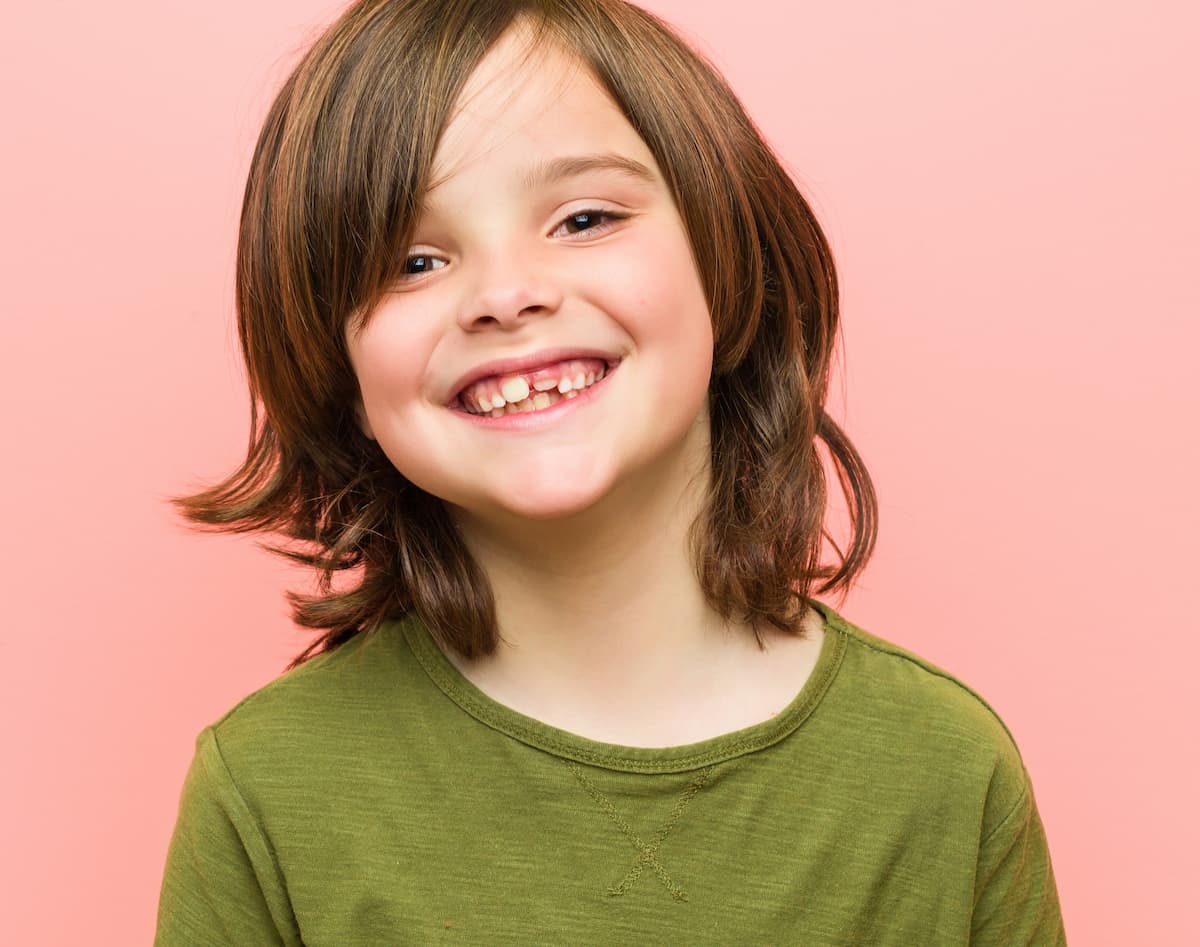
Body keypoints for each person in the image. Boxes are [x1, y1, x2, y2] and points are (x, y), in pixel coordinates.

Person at [155, 0, 1066, 943]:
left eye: (585, 217)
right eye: (414, 260)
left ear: (726, 260)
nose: (507, 295)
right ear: (338, 372)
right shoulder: (263, 792)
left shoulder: (945, 776)